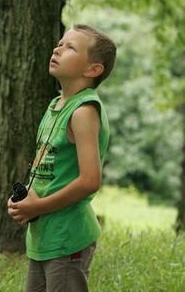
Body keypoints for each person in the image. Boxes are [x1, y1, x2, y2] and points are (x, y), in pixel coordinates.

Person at [8, 24, 117, 292]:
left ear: (93, 69)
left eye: (70, 47)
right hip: (43, 236)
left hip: (68, 235)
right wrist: (25, 199)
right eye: (59, 44)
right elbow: (44, 164)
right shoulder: (55, 106)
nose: (57, 49)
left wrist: (38, 207)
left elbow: (90, 181)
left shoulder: (83, 111)